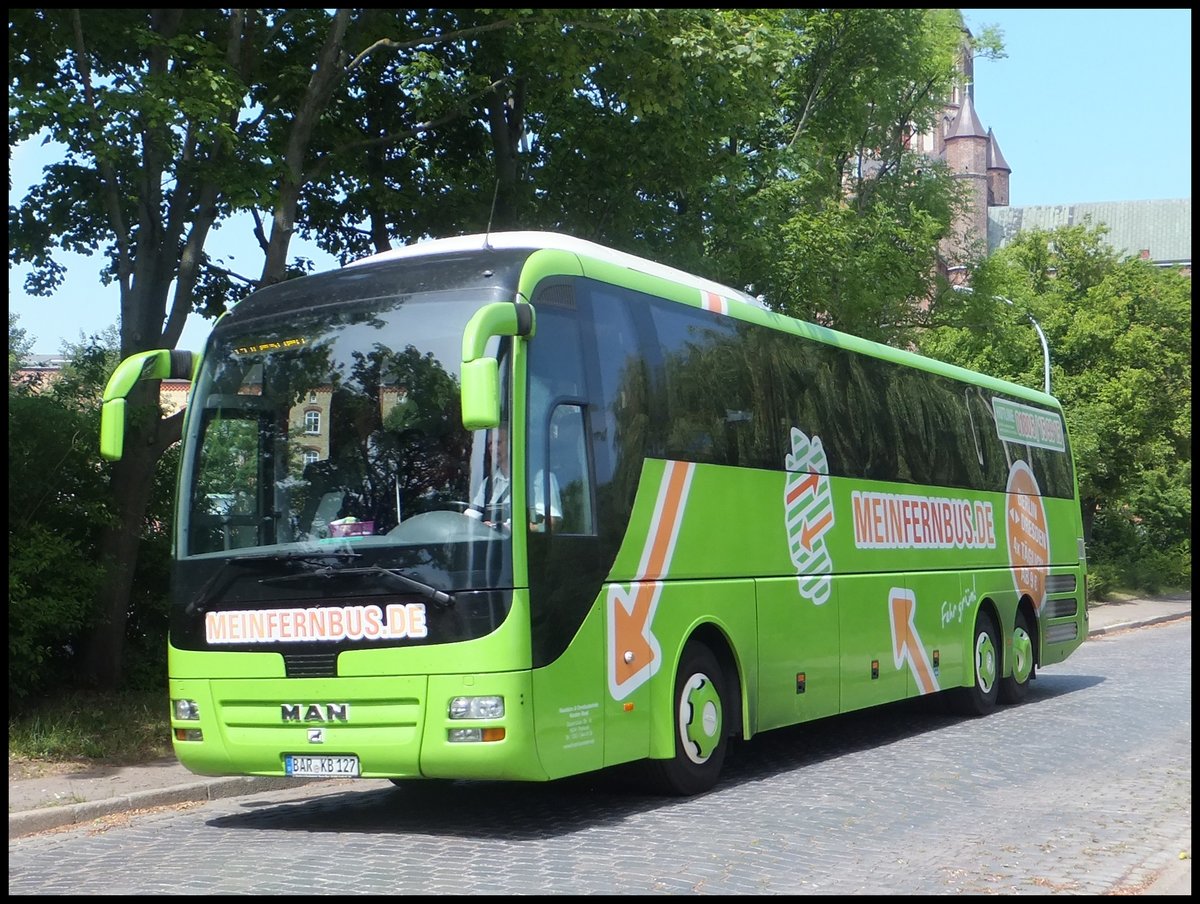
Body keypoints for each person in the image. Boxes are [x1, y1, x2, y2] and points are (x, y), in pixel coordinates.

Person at [467, 426, 561, 532]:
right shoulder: (487, 483)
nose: (492, 448)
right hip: (494, 548)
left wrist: (509, 529)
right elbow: (471, 516)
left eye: (498, 442)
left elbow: (551, 524)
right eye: (490, 444)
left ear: (512, 443)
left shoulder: (541, 479)